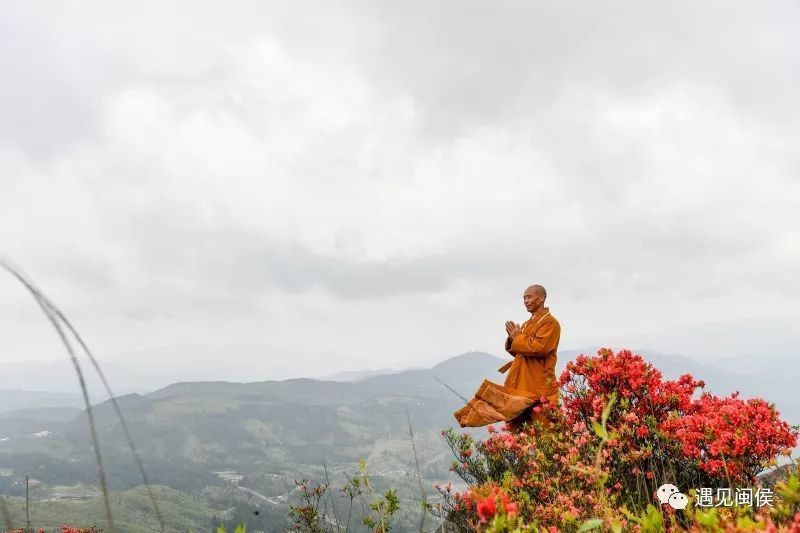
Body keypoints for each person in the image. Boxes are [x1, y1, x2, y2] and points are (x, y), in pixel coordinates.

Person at [498, 284, 561, 432]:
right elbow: (522, 351)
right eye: (524, 298)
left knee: (545, 431)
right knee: (519, 431)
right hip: (522, 383)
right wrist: (513, 339)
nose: (525, 301)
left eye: (529, 297)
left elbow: (540, 348)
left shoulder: (550, 323)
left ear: (541, 298)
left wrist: (518, 337)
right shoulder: (528, 324)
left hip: (539, 385)